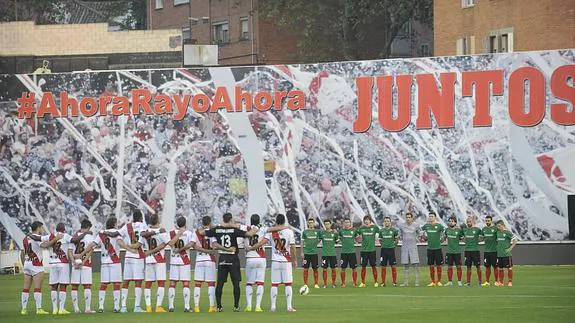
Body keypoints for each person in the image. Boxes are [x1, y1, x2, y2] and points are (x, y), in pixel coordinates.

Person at [81, 217, 137, 313]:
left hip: (104, 261)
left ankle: (101, 307)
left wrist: (81, 254)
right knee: (116, 284)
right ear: (114, 224)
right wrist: (130, 249)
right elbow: (120, 242)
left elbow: (92, 245)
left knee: (103, 284)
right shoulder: (117, 232)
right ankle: (116, 307)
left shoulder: (102, 233)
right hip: (115, 261)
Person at [203, 213, 257, 312]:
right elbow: (249, 234)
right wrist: (257, 227)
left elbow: (203, 233)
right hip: (233, 258)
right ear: (231, 219)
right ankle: (236, 306)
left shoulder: (216, 230)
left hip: (222, 257)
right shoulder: (234, 230)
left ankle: (219, 306)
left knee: (219, 284)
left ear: (223, 219)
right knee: (236, 283)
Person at [248, 213, 297, 312]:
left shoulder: (272, 232)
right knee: (288, 284)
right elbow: (292, 247)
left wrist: (251, 248)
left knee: (274, 284)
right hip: (286, 261)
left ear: (276, 221)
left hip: (275, 261)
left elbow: (262, 242)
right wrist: (294, 260)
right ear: (284, 221)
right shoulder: (289, 232)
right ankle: (289, 307)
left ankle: (273, 307)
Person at [21, 221, 61, 315]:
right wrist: (56, 239)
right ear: (38, 228)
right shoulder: (36, 238)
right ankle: (39, 309)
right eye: (42, 228)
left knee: (26, 288)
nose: (42, 230)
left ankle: (24, 309)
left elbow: (22, 253)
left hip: (27, 263)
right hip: (36, 264)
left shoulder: (25, 238)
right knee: (37, 288)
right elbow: (45, 245)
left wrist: (24, 264)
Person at [134, 214, 170, 313]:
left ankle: (148, 307)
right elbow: (164, 244)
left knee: (148, 283)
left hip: (149, 259)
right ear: (158, 220)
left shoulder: (146, 232)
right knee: (161, 283)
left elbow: (139, 244)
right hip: (159, 259)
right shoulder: (161, 231)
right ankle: (158, 307)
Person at [166, 216, 201, 312]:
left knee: (172, 283)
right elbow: (191, 245)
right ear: (185, 223)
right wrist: (181, 249)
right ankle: (186, 306)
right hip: (185, 261)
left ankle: (171, 306)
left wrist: (178, 237)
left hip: (174, 261)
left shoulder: (172, 233)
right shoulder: (189, 233)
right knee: (186, 283)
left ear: (177, 224)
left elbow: (170, 243)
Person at [117, 210, 149, 313]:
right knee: (138, 281)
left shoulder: (127, 226)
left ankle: (123, 307)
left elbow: (118, 239)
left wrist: (128, 248)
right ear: (141, 217)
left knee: (126, 281)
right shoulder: (143, 226)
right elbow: (140, 244)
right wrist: (132, 247)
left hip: (128, 256)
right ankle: (137, 307)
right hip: (138, 256)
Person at [192, 216, 218, 313]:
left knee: (197, 284)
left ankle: (196, 307)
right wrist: (211, 250)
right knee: (211, 284)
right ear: (210, 222)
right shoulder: (212, 232)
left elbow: (194, 246)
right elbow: (215, 245)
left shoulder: (197, 232)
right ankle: (211, 307)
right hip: (209, 259)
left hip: (199, 259)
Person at [68, 219, 95, 314]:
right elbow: (91, 250)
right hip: (86, 263)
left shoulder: (74, 236)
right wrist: (83, 261)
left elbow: (70, 251)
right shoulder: (90, 237)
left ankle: (76, 309)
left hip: (75, 263)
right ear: (88, 227)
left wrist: (74, 262)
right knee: (87, 286)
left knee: (74, 286)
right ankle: (87, 309)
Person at [244, 214, 269, 312]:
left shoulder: (246, 229)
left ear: (250, 221)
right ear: (259, 221)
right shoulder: (263, 229)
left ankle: (249, 306)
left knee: (249, 283)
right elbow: (265, 241)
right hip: (261, 258)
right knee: (260, 283)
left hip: (250, 257)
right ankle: (258, 306)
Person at [48, 223, 73, 314]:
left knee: (54, 286)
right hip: (63, 263)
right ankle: (61, 309)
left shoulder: (51, 236)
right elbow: (74, 240)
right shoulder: (65, 236)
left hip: (53, 262)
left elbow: (44, 244)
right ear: (63, 229)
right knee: (63, 285)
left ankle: (54, 309)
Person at [398, 205, 421, 286]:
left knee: (415, 265)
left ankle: (417, 281)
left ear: (412, 218)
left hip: (413, 247)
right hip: (404, 247)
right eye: (407, 217)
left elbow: (419, 233)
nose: (408, 218)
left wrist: (417, 238)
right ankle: (405, 282)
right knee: (405, 265)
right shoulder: (401, 225)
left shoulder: (416, 225)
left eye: (409, 217)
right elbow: (400, 235)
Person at [422, 212, 444, 287]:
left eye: (432, 216)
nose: (430, 217)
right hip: (430, 249)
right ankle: (432, 281)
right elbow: (421, 233)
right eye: (430, 216)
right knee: (431, 266)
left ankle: (439, 281)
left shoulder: (439, 226)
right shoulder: (426, 226)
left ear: (435, 217)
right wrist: (423, 237)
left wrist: (442, 239)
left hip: (437, 248)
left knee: (439, 265)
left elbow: (444, 234)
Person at [495, 220, 517, 287]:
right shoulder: (498, 233)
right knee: (500, 268)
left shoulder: (507, 232)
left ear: (503, 225)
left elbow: (515, 240)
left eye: (499, 226)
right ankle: (501, 282)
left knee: (509, 268)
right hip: (499, 254)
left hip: (506, 254)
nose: (498, 227)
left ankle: (510, 282)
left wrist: (510, 248)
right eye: (497, 226)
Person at [378, 216, 399, 287]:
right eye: (385, 221)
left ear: (390, 222)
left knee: (393, 266)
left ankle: (394, 282)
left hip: (391, 250)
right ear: (384, 222)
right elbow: (380, 240)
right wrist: (383, 245)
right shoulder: (381, 231)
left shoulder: (394, 230)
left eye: (388, 221)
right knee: (383, 266)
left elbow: (396, 240)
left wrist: (393, 245)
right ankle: (383, 282)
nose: (386, 222)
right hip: (383, 250)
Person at [358, 216, 378, 287]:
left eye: (368, 220)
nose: (366, 221)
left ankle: (376, 282)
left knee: (373, 266)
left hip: (372, 250)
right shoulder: (361, 228)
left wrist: (373, 225)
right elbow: (357, 237)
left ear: (370, 221)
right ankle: (363, 283)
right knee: (363, 267)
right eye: (365, 220)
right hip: (364, 251)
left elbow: (380, 231)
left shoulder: (374, 228)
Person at [463, 216, 483, 286]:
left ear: (473, 222)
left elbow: (482, 237)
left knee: (478, 266)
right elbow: (461, 237)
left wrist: (476, 241)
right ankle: (468, 282)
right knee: (468, 267)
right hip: (467, 251)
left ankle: (480, 281)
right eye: (467, 222)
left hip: (475, 251)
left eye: (470, 221)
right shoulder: (464, 230)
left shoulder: (477, 230)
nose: (469, 223)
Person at [444, 216, 463, 286]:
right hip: (449, 251)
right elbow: (443, 239)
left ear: (455, 222)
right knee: (449, 267)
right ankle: (449, 281)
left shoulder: (459, 230)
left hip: (457, 252)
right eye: (449, 221)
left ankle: (459, 281)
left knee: (458, 266)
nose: (450, 222)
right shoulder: (447, 230)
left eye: (452, 221)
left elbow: (462, 238)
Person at [338, 218, 358, 287]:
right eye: (345, 222)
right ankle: (343, 283)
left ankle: (354, 283)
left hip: (352, 252)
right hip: (344, 252)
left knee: (354, 268)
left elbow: (358, 239)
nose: (347, 223)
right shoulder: (341, 231)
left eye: (348, 222)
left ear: (350, 223)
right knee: (343, 268)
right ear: (344, 223)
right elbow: (337, 239)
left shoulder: (354, 231)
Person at [301, 218, 320, 289]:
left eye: (312, 222)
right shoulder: (305, 232)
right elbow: (302, 242)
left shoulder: (317, 232)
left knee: (315, 269)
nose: (311, 224)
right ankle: (305, 284)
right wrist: (302, 252)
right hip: (306, 254)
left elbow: (319, 239)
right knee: (305, 269)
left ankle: (316, 283)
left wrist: (316, 243)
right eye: (310, 223)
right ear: (308, 223)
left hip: (314, 253)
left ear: (314, 223)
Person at [320, 219, 338, 288]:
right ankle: (325, 284)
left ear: (330, 225)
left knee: (333, 269)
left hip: (332, 254)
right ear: (324, 225)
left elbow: (337, 241)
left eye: (328, 224)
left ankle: (333, 284)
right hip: (325, 254)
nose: (327, 225)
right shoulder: (322, 233)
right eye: (325, 224)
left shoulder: (334, 233)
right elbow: (318, 240)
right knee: (324, 269)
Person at [481, 215, 498, 286]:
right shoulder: (484, 229)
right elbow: (481, 238)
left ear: (491, 221)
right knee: (487, 267)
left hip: (494, 251)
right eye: (486, 221)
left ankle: (496, 281)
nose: (487, 222)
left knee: (495, 267)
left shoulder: (495, 228)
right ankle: (487, 282)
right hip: (486, 251)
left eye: (488, 220)